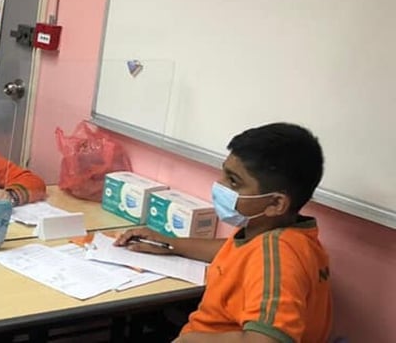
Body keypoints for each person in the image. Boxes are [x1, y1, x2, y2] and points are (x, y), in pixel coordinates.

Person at [114, 123, 332, 343]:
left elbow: (266, 341)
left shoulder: (278, 255)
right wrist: (170, 243)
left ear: (276, 203)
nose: (220, 185)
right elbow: (237, 253)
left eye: (234, 181)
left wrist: (189, 341)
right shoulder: (284, 237)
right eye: (224, 174)